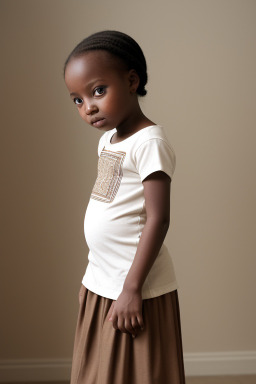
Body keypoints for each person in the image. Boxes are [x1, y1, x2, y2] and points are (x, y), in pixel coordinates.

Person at [63, 30, 186, 384]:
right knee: (98, 370)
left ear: (131, 81)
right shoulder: (108, 140)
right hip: (102, 278)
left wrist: (132, 288)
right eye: (77, 99)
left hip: (134, 285)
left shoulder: (150, 142)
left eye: (98, 91)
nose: (88, 107)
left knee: (137, 372)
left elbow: (158, 219)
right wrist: (95, 276)